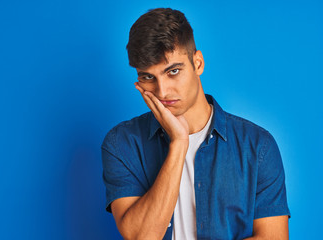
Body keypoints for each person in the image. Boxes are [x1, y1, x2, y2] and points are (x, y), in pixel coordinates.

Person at [101, 8, 290, 240]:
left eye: (173, 71)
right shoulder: (122, 144)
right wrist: (179, 144)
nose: (162, 91)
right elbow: (142, 236)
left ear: (198, 63)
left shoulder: (258, 146)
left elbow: (273, 238)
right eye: (148, 77)